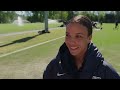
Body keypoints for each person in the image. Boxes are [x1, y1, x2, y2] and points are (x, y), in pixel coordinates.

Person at [43, 15, 120, 79]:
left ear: (89, 38)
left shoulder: (105, 71)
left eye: (78, 36)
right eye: (68, 35)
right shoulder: (54, 66)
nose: (71, 41)